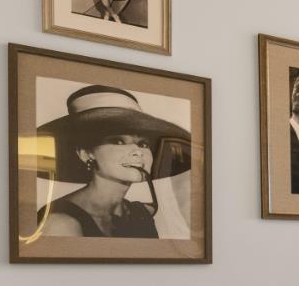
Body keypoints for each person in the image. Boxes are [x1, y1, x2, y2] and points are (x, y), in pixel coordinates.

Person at [35, 85, 191, 238]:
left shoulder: (144, 213)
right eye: (118, 141)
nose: (138, 152)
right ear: (86, 153)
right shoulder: (60, 223)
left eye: (143, 144)